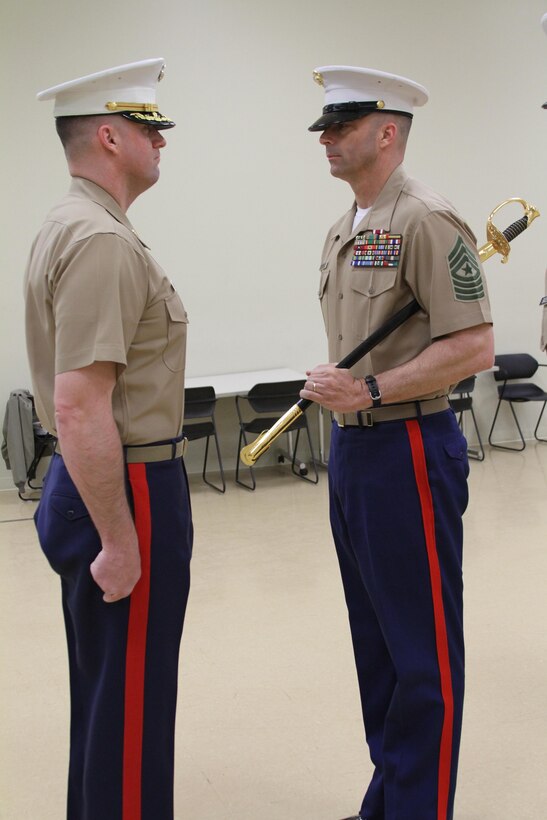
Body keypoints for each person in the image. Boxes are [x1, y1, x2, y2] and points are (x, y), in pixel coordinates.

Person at [300, 66, 494, 820]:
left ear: (386, 131)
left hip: (408, 446)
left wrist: (372, 390)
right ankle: (390, 798)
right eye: (322, 127)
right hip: (354, 454)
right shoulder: (346, 226)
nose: (325, 138)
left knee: (421, 653)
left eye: (340, 126)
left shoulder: (424, 219)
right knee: (376, 648)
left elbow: (474, 345)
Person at [24, 59, 192, 820]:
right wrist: (122, 539)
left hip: (98, 479)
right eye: (150, 129)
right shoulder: (100, 240)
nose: (163, 143)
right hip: (125, 484)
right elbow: (82, 405)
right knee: (129, 706)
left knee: (106, 697)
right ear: (109, 136)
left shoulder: (74, 223)